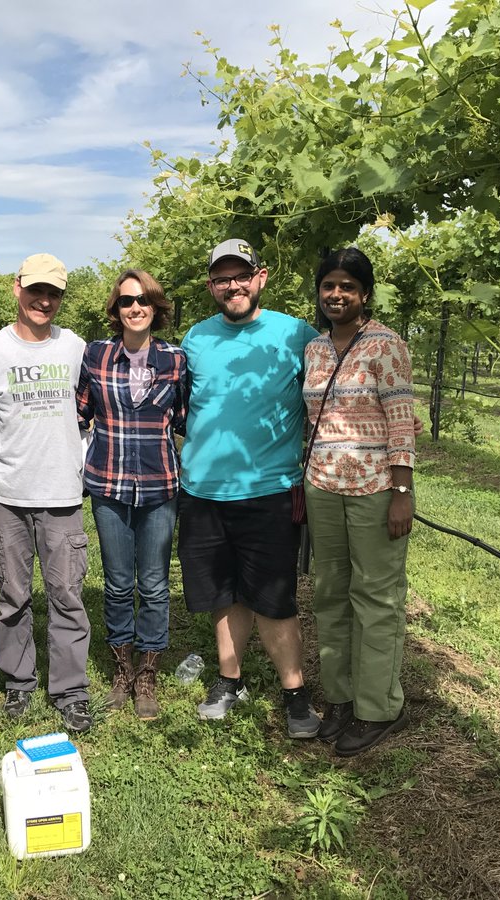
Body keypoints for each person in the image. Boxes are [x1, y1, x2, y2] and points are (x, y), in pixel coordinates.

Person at [177, 239, 322, 738]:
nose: (232, 285)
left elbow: (328, 403)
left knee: (274, 598)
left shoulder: (295, 335)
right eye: (222, 278)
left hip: (269, 491)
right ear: (211, 286)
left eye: (241, 275)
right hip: (202, 492)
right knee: (223, 592)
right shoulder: (195, 338)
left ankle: (295, 694)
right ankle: (229, 679)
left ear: (261, 277)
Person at [0, 253, 94, 733]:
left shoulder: (76, 348)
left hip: (62, 491)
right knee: (11, 593)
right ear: (16, 288)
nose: (44, 300)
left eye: (54, 293)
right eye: (36, 290)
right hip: (5, 493)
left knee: (67, 594)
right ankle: (19, 681)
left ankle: (69, 690)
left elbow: (94, 409)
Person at [303, 246, 415, 757]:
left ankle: (377, 707)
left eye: (347, 285)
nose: (337, 294)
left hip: (374, 489)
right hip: (323, 486)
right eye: (329, 285)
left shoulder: (386, 346)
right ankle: (341, 698)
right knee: (329, 595)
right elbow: (315, 421)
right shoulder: (316, 349)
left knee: (376, 598)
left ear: (364, 293)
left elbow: (400, 422)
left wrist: (402, 491)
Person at [76, 269, 187, 720]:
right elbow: (80, 410)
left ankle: (148, 671)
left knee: (156, 584)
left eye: (144, 300)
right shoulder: (97, 355)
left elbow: (183, 418)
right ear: (116, 309)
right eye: (126, 301)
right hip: (109, 482)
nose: (135, 307)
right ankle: (122, 667)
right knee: (119, 582)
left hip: (160, 485)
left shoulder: (175, 360)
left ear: (156, 308)